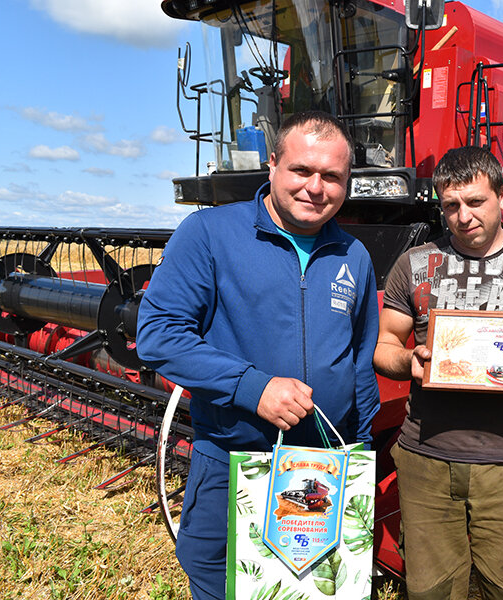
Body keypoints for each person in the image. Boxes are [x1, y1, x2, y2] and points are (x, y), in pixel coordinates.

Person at [136, 111, 380, 600]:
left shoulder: (354, 254)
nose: (316, 187)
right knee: (223, 583)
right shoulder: (209, 233)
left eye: (332, 176)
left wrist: (362, 452)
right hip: (234, 461)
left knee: (315, 585)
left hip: (324, 471)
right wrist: (254, 387)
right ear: (272, 166)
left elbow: (359, 359)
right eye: (302, 170)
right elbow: (158, 334)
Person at [373, 146, 503, 600]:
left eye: (475, 202)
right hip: (426, 458)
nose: (463, 216)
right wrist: (410, 362)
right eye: (451, 206)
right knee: (430, 590)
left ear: (502, 196)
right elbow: (384, 347)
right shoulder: (414, 266)